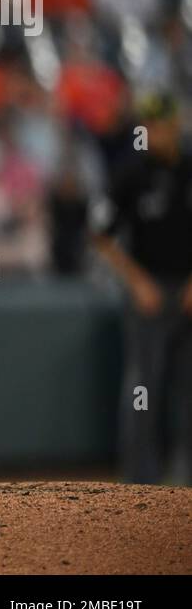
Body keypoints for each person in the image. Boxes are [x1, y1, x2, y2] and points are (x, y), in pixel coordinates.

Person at [92, 93, 192, 484]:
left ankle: (185, 485)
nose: (156, 132)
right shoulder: (130, 173)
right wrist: (137, 283)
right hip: (147, 292)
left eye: (162, 124)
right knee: (142, 391)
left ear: (176, 123)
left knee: (188, 391)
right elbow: (100, 235)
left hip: (186, 291)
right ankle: (139, 487)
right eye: (148, 125)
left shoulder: (189, 169)